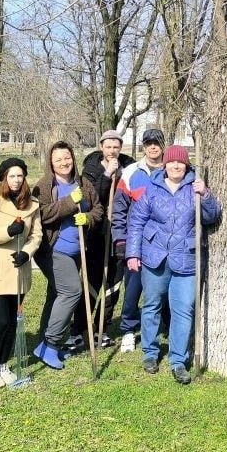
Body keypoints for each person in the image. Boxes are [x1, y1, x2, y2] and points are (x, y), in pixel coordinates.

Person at [126, 145, 221, 385]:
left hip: (186, 258)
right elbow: (136, 221)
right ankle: (150, 352)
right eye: (171, 162)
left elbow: (212, 217)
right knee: (152, 304)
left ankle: (178, 360)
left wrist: (206, 196)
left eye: (180, 163)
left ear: (187, 165)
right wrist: (132, 253)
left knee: (183, 309)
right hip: (155, 255)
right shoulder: (153, 189)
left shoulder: (195, 187)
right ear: (165, 165)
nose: (175, 166)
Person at [31, 140, 104, 369]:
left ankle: (44, 342)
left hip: (76, 251)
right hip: (52, 251)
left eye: (67, 157)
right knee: (72, 291)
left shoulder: (83, 184)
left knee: (56, 295)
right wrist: (70, 203)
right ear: (51, 163)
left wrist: (88, 218)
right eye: (58, 159)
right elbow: (41, 215)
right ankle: (51, 344)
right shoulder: (43, 186)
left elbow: (98, 209)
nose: (64, 162)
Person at [0, 157, 42, 389]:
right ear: (4, 178)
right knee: (2, 322)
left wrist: (27, 252)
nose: (16, 180)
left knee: (14, 323)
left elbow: (37, 235)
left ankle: (4, 365)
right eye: (12, 176)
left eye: (20, 176)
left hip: (20, 269)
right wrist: (8, 231)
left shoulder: (33, 204)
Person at [72, 129, 134, 351]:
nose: (112, 151)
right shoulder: (91, 168)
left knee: (113, 284)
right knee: (90, 282)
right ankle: (79, 329)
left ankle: (102, 329)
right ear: (101, 147)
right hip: (97, 233)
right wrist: (107, 174)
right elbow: (92, 196)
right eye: (108, 147)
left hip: (119, 232)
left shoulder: (129, 166)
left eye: (116, 146)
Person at [110, 128, 166, 352]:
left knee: (164, 287)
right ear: (143, 146)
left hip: (163, 243)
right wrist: (120, 240)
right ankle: (128, 330)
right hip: (136, 242)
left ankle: (167, 326)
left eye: (157, 143)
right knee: (133, 289)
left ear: (163, 145)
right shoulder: (132, 172)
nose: (153, 147)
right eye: (148, 143)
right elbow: (119, 210)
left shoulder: (172, 170)